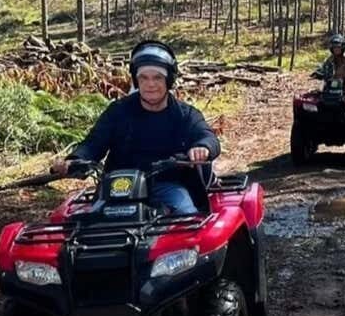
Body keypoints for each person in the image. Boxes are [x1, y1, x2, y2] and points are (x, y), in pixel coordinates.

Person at [51, 40, 221, 215]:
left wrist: (203, 147)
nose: (150, 84)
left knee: (188, 216)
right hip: (119, 186)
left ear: (169, 80)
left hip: (168, 184)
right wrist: (74, 160)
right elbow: (93, 143)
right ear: (136, 80)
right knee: (90, 226)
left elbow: (207, 136)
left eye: (157, 77)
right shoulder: (118, 111)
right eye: (144, 78)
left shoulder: (185, 114)